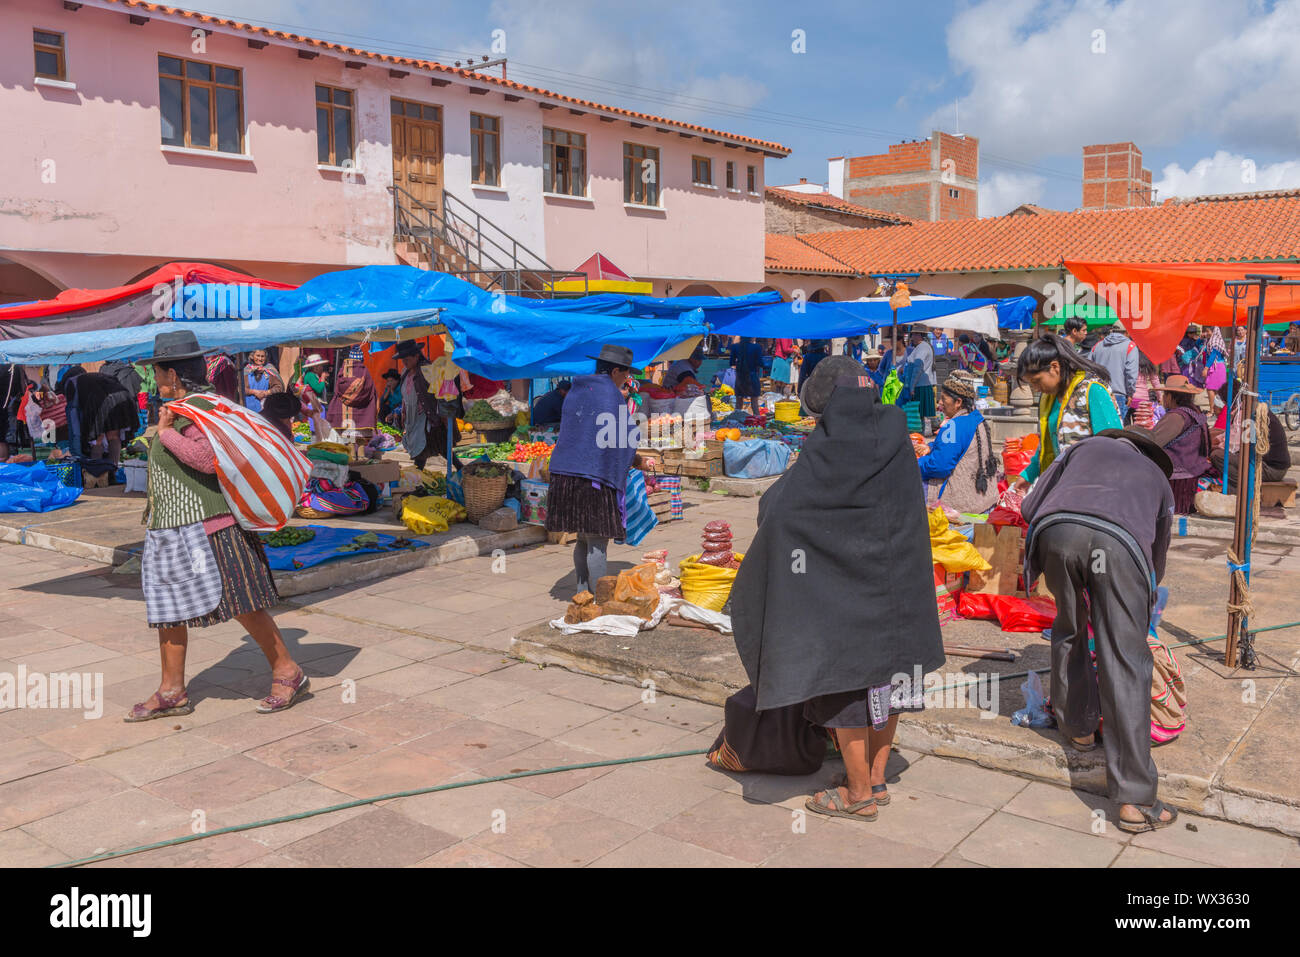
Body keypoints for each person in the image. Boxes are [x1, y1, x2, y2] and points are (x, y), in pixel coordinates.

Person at [727, 355, 945, 822]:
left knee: (845, 683)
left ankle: (857, 792)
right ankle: (878, 778)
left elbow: (784, 510)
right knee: (892, 679)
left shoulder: (830, 444)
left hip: (844, 596)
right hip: (899, 588)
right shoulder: (894, 434)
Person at [127, 330, 306, 721]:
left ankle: (287, 671)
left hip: (210, 527)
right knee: (169, 610)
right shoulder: (184, 406)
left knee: (242, 604)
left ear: (172, 375)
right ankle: (172, 690)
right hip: (172, 526)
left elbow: (208, 459)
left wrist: (167, 434)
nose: (155, 380)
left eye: (157, 372)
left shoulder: (198, 409)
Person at [1022, 427, 1178, 834]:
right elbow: (1155, 563)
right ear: (1147, 454)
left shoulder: (1082, 448)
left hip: (1056, 534)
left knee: (1070, 630)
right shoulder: (1159, 480)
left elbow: (1028, 507)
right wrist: (1132, 611)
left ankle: (1078, 730)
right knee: (1125, 659)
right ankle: (1134, 801)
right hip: (1118, 546)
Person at [545, 345, 646, 593]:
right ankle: (599, 599)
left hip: (564, 475)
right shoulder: (609, 395)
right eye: (625, 374)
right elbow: (622, 437)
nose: (626, 379)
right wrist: (638, 460)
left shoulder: (578, 389)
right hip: (592, 478)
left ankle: (582, 594)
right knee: (598, 542)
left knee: (582, 536)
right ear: (614, 371)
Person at [1013, 334, 1122, 490]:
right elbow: (1047, 443)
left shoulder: (1092, 390)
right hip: (1062, 488)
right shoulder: (1048, 399)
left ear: (1055, 367)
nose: (1036, 388)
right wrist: (1029, 474)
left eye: (1037, 381)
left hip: (1092, 488)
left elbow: (1113, 447)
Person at [917, 374, 999, 514]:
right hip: (984, 498)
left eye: (943, 399)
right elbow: (956, 445)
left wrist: (914, 464)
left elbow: (939, 466)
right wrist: (931, 447)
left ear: (958, 402)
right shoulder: (976, 418)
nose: (940, 404)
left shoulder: (955, 426)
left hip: (964, 503)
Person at [394, 340, 462, 471]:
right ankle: (458, 469)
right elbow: (405, 396)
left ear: (416, 356)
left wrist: (445, 415)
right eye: (403, 360)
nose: (404, 362)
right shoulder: (405, 373)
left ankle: (418, 478)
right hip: (413, 419)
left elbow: (441, 393)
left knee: (432, 448)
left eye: (407, 359)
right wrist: (400, 412)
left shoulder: (427, 370)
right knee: (431, 449)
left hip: (427, 417)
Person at [1210, 381, 1292, 490]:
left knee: (1217, 456)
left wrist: (1212, 446)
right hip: (1272, 466)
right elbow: (1234, 435)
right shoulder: (1248, 409)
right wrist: (1216, 439)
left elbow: (1234, 446)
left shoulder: (1246, 413)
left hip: (1272, 469)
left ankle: (1238, 490)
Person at [1148, 375, 1210, 513]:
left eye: (1165, 394)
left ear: (1171, 396)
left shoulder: (1177, 416)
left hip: (1179, 476)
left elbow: (1154, 442)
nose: (1163, 397)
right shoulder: (1195, 411)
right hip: (1194, 468)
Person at [57, 366, 138, 466]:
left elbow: (73, 419)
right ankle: (112, 471)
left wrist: (76, 452)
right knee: (113, 436)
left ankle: (97, 474)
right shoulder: (95, 377)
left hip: (102, 401)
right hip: (124, 397)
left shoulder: (70, 383)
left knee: (97, 440)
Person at [1088, 321, 1139, 420]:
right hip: (1118, 394)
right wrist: (1130, 393)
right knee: (1116, 430)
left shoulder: (1097, 345)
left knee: (1100, 426)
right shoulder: (1130, 346)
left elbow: (1089, 368)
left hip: (1098, 392)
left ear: (1112, 331)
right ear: (1127, 332)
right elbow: (1131, 374)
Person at [326, 346, 378, 439]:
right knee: (361, 441)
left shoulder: (343, 371)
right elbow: (371, 391)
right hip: (362, 414)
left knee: (348, 440)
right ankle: (361, 452)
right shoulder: (365, 372)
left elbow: (337, 389)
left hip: (344, 414)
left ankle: (350, 450)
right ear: (361, 359)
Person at [904, 328, 938, 425]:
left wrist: (912, 386)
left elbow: (917, 369)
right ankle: (919, 436)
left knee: (918, 416)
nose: (911, 338)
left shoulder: (922, 348)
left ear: (919, 335)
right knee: (919, 417)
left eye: (913, 335)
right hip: (921, 385)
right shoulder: (921, 347)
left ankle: (919, 436)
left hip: (920, 385)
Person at [729, 336, 764, 416]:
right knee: (754, 404)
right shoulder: (756, 347)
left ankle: (736, 422)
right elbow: (760, 363)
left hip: (740, 377)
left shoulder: (735, 347)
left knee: (738, 404)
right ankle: (758, 423)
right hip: (752, 377)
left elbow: (731, 363)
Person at [242, 349, 283, 414]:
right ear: (252, 356)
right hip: (247, 409)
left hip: (266, 410)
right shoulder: (247, 370)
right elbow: (240, 388)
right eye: (258, 356)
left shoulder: (270, 369)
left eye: (262, 356)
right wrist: (254, 392)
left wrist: (265, 393)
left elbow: (279, 388)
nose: (260, 358)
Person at [1129, 353, 1163, 429]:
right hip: (1142, 400)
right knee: (1141, 427)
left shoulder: (1128, 360)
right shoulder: (1147, 362)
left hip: (1129, 398)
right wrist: (1159, 396)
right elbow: (1155, 381)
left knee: (1126, 426)